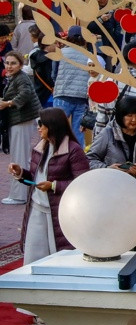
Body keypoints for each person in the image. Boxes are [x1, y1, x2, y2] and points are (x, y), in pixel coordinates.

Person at [10, 108, 89, 263]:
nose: (38, 128)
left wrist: (54, 186)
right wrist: (20, 173)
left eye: (42, 124)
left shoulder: (74, 150)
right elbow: (36, 177)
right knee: (33, 258)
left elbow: (83, 184)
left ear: (52, 126)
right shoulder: (41, 147)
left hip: (59, 212)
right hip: (36, 209)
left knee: (60, 258)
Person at [86, 95, 136, 194]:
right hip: (110, 190)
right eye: (129, 115)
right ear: (120, 116)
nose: (134, 119)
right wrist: (108, 169)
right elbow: (89, 159)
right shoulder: (107, 134)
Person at [1, 51, 41, 205]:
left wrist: (8, 103)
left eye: (13, 63)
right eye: (7, 63)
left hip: (22, 120)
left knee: (19, 157)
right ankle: (21, 192)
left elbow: (25, 94)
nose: (9, 66)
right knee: (21, 155)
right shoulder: (16, 78)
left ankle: (19, 195)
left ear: (20, 65)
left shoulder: (21, 79)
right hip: (20, 120)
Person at [52, 28, 94, 146]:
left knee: (58, 131)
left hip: (62, 94)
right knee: (78, 132)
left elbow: (53, 74)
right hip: (81, 97)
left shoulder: (60, 52)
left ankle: (57, 157)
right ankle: (78, 160)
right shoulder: (89, 55)